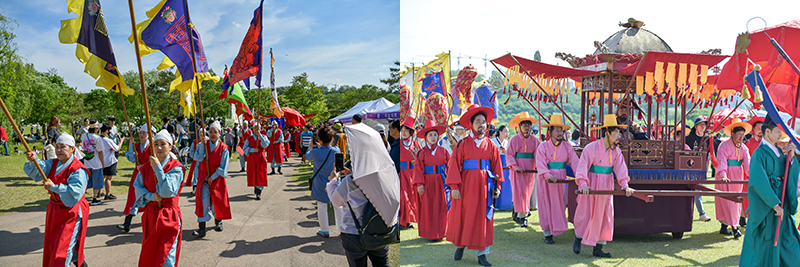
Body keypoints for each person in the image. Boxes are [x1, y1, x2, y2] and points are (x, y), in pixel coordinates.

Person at [326, 123, 399, 267]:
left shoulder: (351, 182)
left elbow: (336, 201)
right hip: (381, 230)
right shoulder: (387, 173)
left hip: (354, 234)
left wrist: (333, 180)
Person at [446, 104, 504, 266]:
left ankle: (482, 253)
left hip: (485, 187)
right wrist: (455, 187)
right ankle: (460, 245)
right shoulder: (462, 144)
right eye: (478, 121)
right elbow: (453, 166)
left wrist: (497, 186)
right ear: (471, 124)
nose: (481, 124)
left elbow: (497, 168)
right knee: (463, 216)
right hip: (465, 186)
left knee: (482, 218)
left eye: (483, 122)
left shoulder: (492, 145)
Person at [739, 115, 800, 266]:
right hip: (768, 208)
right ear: (767, 132)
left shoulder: (779, 152)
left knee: (789, 242)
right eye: (778, 131)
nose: (781, 134)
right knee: (764, 245)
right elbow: (759, 182)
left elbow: (787, 176)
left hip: (782, 204)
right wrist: (775, 204)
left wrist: (791, 159)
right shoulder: (759, 154)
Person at [573, 114, 636, 258]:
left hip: (607, 185)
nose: (619, 135)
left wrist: (624, 185)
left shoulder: (617, 151)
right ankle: (578, 238)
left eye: (619, 132)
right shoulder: (591, 148)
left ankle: (598, 248)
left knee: (605, 215)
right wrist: (583, 184)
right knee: (585, 214)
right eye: (616, 133)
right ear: (607, 133)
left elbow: (621, 170)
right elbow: (582, 168)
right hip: (591, 185)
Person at [24, 133, 89, 267]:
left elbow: (75, 192)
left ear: (72, 149)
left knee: (62, 250)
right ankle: (79, 262)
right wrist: (33, 159)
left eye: (63, 147)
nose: (58, 150)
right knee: (56, 244)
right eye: (57, 147)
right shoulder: (53, 163)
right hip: (55, 210)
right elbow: (39, 167)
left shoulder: (78, 169)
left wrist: (54, 187)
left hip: (71, 211)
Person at [132, 130, 184, 267]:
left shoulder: (176, 168)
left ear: (170, 146)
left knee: (166, 257)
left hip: (169, 217)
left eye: (163, 144)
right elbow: (138, 189)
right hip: (151, 217)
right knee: (151, 255)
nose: (159, 148)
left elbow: (168, 192)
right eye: (156, 144)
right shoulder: (144, 168)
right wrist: (151, 197)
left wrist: (158, 170)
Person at [535, 114, 580, 244]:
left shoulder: (568, 147)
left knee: (559, 204)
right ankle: (547, 233)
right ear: (550, 132)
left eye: (561, 130)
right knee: (545, 203)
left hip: (560, 179)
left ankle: (557, 228)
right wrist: (549, 176)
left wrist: (580, 177)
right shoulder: (542, 147)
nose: (560, 133)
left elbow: (575, 162)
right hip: (545, 180)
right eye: (557, 130)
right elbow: (540, 164)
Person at [191, 122, 232, 238]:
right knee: (203, 202)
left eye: (215, 132)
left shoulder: (224, 148)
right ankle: (201, 228)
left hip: (216, 179)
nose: (213, 134)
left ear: (220, 134)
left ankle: (218, 221)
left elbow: (223, 168)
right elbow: (197, 158)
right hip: (204, 178)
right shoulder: (203, 144)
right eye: (211, 132)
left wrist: (212, 177)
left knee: (216, 202)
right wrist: (201, 147)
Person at [413, 120, 450, 242]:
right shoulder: (421, 152)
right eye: (430, 135)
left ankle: (443, 231)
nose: (433, 137)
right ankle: (432, 233)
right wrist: (419, 184)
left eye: (435, 135)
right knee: (429, 208)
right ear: (425, 137)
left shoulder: (444, 151)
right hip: (428, 182)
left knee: (443, 206)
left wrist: (450, 182)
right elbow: (418, 169)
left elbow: (449, 168)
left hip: (442, 182)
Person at [714, 119, 751, 238]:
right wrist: (723, 175)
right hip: (725, 176)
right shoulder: (723, 145)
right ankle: (731, 227)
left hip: (737, 176)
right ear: (732, 134)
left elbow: (748, 163)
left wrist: (752, 175)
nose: (741, 137)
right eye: (739, 134)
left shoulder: (744, 148)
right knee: (725, 201)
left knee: (735, 201)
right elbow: (721, 161)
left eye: (743, 134)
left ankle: (730, 226)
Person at [117, 125, 156, 232]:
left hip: (148, 174)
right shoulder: (137, 145)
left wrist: (143, 167)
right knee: (132, 197)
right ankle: (127, 223)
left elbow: (154, 160)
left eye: (144, 133)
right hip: (137, 174)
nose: (142, 135)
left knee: (149, 198)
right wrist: (131, 146)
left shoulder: (152, 146)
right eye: (141, 133)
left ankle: (153, 221)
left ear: (149, 134)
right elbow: (133, 159)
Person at [506, 112, 541, 227]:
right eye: (524, 124)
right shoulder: (513, 139)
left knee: (527, 192)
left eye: (529, 124)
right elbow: (509, 155)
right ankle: (522, 216)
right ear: (519, 126)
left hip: (529, 170)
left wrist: (538, 166)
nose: (527, 127)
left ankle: (520, 212)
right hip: (517, 170)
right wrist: (516, 167)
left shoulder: (535, 140)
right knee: (518, 192)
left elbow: (538, 155)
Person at [306, 125, 340, 238]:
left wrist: (311, 146)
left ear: (319, 139)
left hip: (320, 183)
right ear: (331, 139)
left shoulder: (315, 152)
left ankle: (325, 230)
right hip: (334, 181)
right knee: (337, 206)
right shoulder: (336, 150)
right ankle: (341, 231)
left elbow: (307, 157)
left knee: (321, 206)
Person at [685, 117, 715, 222]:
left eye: (704, 125)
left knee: (698, 189)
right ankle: (698, 213)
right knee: (690, 189)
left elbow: (710, 153)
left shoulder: (707, 138)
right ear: (696, 126)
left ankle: (701, 213)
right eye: (701, 124)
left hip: (702, 167)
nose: (703, 126)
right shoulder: (688, 138)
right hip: (689, 167)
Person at [398, 116, 421, 228]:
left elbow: (421, 158)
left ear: (411, 132)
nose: (403, 133)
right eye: (401, 131)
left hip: (412, 173)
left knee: (412, 197)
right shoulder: (399, 143)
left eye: (405, 131)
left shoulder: (415, 144)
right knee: (403, 196)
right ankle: (404, 220)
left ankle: (410, 220)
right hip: (402, 173)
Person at [80, 120, 106, 206]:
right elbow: (100, 151)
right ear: (96, 128)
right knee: (96, 181)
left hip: (87, 161)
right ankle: (94, 197)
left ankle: (82, 196)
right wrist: (103, 163)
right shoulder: (97, 138)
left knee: (86, 180)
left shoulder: (84, 136)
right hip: (96, 162)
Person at [244, 121, 269, 200]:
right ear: (252, 129)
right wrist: (252, 150)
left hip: (261, 158)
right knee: (253, 173)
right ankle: (255, 186)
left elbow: (265, 145)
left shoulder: (264, 137)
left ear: (260, 129)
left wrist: (260, 137)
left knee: (261, 173)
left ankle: (259, 192)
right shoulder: (249, 138)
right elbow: (244, 149)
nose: (256, 130)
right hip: (252, 158)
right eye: (255, 128)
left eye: (258, 128)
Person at [100, 123, 124, 201]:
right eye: (109, 132)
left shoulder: (98, 139)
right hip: (109, 161)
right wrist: (121, 141)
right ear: (106, 131)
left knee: (102, 177)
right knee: (108, 178)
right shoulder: (108, 140)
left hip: (101, 161)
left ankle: (99, 192)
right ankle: (108, 194)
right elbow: (117, 148)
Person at [491, 125, 512, 211]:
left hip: (506, 163)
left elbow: (511, 153)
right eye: (505, 132)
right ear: (500, 132)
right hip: (496, 162)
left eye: (508, 132)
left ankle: (506, 203)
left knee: (506, 183)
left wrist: (505, 151)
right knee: (496, 182)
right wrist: (498, 151)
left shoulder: (508, 142)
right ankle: (496, 203)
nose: (507, 134)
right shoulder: (492, 141)